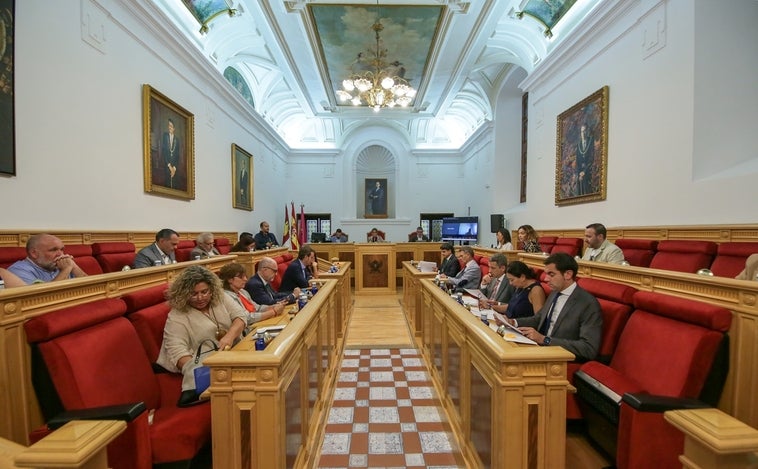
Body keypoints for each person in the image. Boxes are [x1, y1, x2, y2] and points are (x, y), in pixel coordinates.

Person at [156, 265, 247, 403]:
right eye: (193, 294)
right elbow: (179, 354)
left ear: (212, 289)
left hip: (233, 358)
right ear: (184, 293)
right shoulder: (176, 316)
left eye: (204, 292)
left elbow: (240, 317)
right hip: (211, 371)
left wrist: (229, 336)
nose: (200, 298)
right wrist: (209, 372)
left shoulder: (220, 296)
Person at [499, 253, 602, 361]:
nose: (546, 279)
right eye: (546, 274)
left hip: (560, 359)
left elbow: (588, 348)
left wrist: (545, 340)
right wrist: (513, 322)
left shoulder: (588, 303)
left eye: (551, 274)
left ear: (568, 274)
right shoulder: (555, 293)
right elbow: (539, 318)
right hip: (540, 349)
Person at [217, 263, 285, 327]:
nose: (245, 279)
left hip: (257, 324)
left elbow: (256, 308)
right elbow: (247, 318)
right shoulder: (227, 298)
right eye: (241, 277)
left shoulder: (243, 292)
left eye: (245, 276)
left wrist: (272, 307)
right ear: (230, 280)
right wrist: (273, 312)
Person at [7, 234, 88, 284]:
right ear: (34, 253)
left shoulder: (61, 264)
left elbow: (89, 288)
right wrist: (66, 270)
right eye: (53, 250)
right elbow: (42, 299)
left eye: (62, 249)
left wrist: (74, 266)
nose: (61, 254)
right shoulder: (18, 270)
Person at [161, 118, 182, 190]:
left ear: (174, 128)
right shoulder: (165, 136)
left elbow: (177, 155)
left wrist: (174, 168)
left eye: (171, 126)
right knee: (167, 186)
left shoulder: (177, 140)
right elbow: (164, 152)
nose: (169, 127)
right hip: (167, 166)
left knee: (174, 187)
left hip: (174, 169)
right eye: (169, 125)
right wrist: (169, 166)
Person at [576, 123, 595, 196]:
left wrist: (584, 172)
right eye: (581, 131)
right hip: (580, 173)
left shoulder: (590, 141)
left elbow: (591, 158)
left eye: (584, 131)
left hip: (588, 171)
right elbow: (577, 161)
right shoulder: (578, 145)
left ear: (587, 132)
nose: (583, 133)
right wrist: (579, 173)